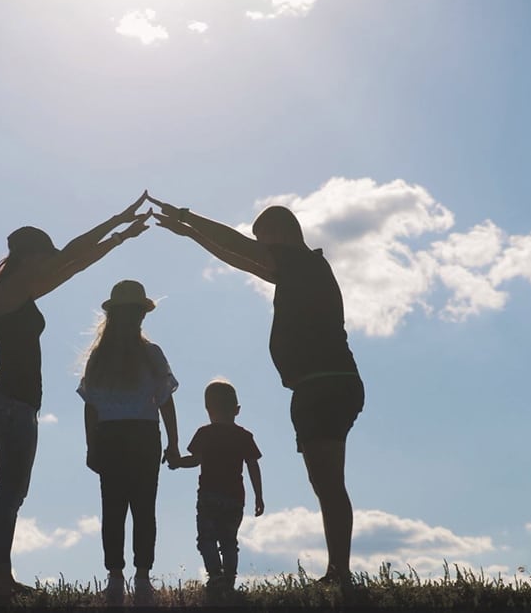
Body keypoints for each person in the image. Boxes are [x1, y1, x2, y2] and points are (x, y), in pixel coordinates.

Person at [149, 196, 364, 586]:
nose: (262, 250)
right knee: (325, 482)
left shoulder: (302, 262)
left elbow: (240, 247)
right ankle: (338, 571)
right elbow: (240, 258)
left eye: (264, 241)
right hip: (321, 384)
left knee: (328, 482)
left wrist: (187, 217)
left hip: (324, 384)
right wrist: (191, 234)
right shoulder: (297, 269)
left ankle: (340, 573)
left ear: (281, 234)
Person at [0, 193, 151, 605]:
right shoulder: (15, 288)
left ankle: (2, 575)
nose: (49, 261)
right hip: (11, 405)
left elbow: (73, 262)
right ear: (30, 256)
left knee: (12, 492)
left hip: (16, 405)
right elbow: (73, 256)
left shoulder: (21, 289)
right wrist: (119, 222)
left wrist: (119, 235)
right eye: (44, 256)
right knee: (8, 492)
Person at [78, 279, 180, 606]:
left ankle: (132, 576)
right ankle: (124, 576)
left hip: (125, 436)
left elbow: (91, 407)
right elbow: (92, 407)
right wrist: (91, 445)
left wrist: (92, 445)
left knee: (125, 507)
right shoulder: (140, 354)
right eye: (134, 312)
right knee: (131, 507)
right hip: (133, 435)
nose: (137, 318)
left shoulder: (120, 355)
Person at [167, 379, 264, 596]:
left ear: (208, 409)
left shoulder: (204, 433)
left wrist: (177, 462)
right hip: (235, 498)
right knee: (229, 541)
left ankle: (216, 576)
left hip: (209, 496)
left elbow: (195, 460)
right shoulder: (244, 436)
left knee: (206, 538)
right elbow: (253, 465)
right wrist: (259, 496)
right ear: (237, 410)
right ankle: (228, 580)